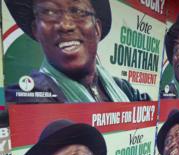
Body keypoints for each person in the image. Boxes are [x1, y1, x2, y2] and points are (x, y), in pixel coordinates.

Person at [5, 0, 150, 103]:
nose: (65, 25)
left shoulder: (124, 89)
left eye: (77, 11)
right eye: (49, 12)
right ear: (36, 30)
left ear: (97, 29)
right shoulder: (27, 96)